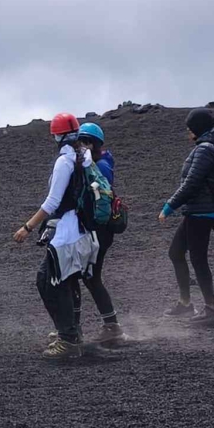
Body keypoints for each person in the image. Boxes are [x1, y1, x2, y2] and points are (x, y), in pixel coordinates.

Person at [11, 113, 98, 358]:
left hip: (68, 231)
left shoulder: (65, 161)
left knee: (48, 280)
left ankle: (68, 338)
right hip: (82, 228)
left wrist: (27, 228)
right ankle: (71, 331)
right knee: (67, 279)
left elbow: (52, 201)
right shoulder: (84, 154)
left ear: (56, 135)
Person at [159, 108, 214, 322]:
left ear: (197, 128)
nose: (188, 131)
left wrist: (169, 207)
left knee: (198, 259)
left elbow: (192, 183)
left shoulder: (205, 150)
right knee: (176, 253)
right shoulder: (211, 147)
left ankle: (212, 308)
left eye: (190, 127)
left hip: (201, 212)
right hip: (197, 211)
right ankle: (186, 304)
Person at [74, 123, 122, 344]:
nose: (79, 147)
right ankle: (108, 325)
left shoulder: (99, 168)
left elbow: (95, 201)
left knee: (89, 277)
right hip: (102, 231)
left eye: (82, 142)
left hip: (99, 232)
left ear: (91, 143)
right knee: (88, 277)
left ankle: (111, 326)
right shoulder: (103, 163)